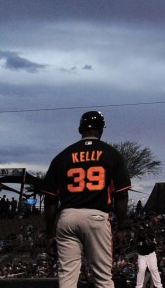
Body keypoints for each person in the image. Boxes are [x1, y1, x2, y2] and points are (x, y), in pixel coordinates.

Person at [41, 110, 132, 288]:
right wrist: (122, 228)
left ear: (80, 129)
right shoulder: (112, 154)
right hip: (96, 216)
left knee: (67, 279)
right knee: (103, 278)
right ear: (101, 130)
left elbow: (50, 200)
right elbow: (121, 195)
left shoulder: (62, 156)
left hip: (67, 216)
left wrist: (49, 233)